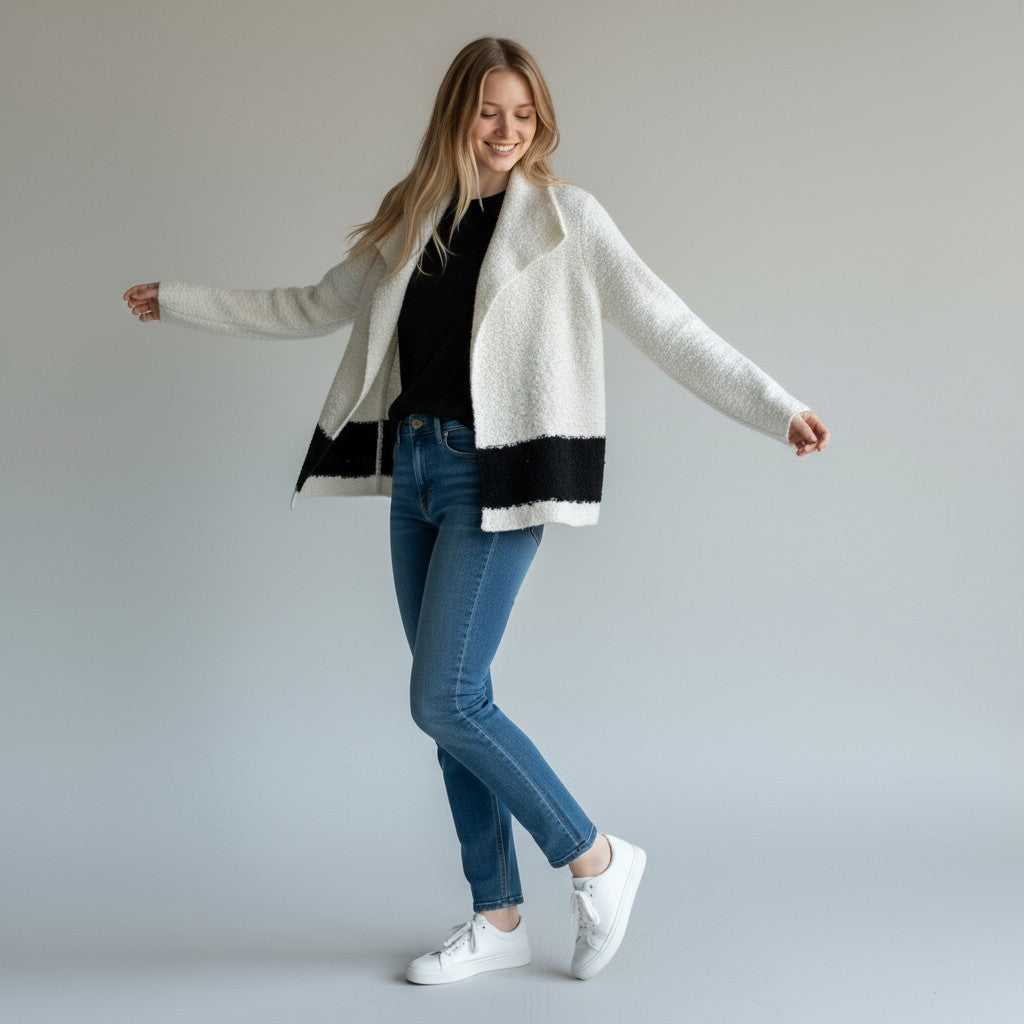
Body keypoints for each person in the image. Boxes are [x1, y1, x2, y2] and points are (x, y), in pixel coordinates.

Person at [123, 35, 829, 985]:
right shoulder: (411, 214)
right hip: (415, 471)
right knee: (454, 707)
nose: (506, 130)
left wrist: (775, 407)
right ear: (458, 113)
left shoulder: (568, 220)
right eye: (490, 111)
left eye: (523, 114)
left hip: (496, 479)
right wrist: (177, 300)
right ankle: (497, 917)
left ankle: (594, 856)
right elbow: (311, 305)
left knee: (445, 698)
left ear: (540, 121)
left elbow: (665, 321)